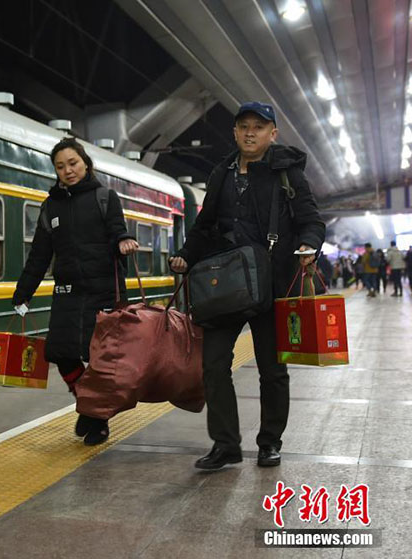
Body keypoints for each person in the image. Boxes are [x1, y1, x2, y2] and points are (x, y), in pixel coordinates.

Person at [169, 101, 325, 470]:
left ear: (273, 133)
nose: (250, 133)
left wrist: (308, 245)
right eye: (243, 126)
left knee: (272, 370)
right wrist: (186, 255)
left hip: (271, 284)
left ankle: (270, 441)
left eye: (259, 126)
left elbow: (311, 220)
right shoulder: (222, 172)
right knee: (213, 365)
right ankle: (226, 444)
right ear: (235, 132)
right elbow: (205, 224)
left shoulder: (286, 172)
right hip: (227, 284)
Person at [12, 137, 138, 446]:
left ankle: (95, 419)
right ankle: (91, 407)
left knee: (98, 360)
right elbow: (40, 255)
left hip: (103, 293)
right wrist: (23, 292)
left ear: (86, 164)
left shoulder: (105, 198)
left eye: (73, 163)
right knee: (58, 352)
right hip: (67, 293)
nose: (68, 170)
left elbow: (117, 231)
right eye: (60, 166)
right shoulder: (51, 206)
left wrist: (123, 241)